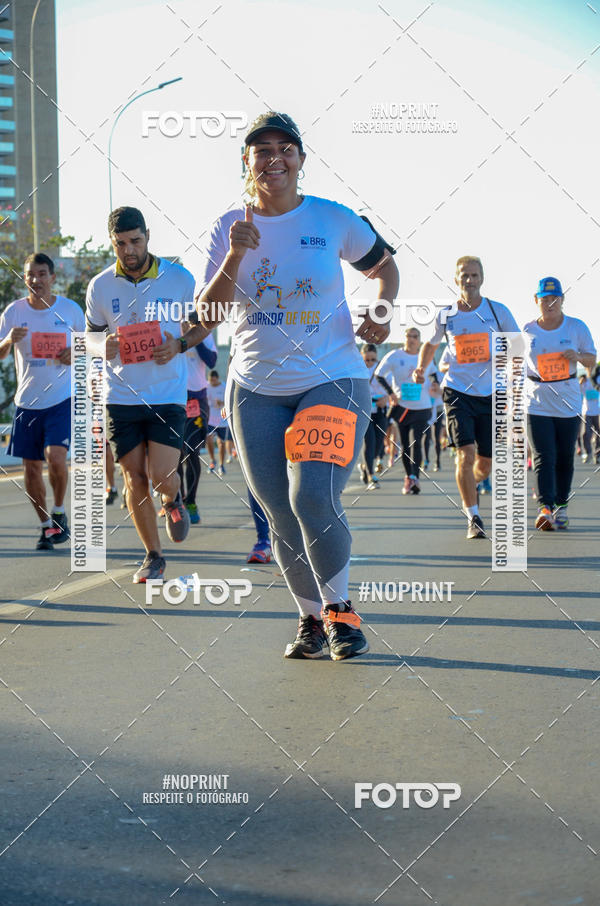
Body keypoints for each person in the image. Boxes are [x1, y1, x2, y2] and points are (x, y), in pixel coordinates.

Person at [197, 111, 399, 660]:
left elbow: (384, 265)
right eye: (262, 150)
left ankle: (341, 615)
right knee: (278, 511)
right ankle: (311, 621)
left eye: (286, 148)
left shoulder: (332, 218)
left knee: (311, 495)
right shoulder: (226, 227)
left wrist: (379, 311)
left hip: (332, 378)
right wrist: (238, 251)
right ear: (248, 163)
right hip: (256, 388)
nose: (274, 158)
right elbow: (207, 313)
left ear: (301, 160)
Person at [85, 206, 209, 582]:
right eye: (120, 244)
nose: (129, 250)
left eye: (135, 241)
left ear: (148, 235)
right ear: (113, 243)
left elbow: (203, 325)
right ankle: (153, 556)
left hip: (167, 394)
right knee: (133, 477)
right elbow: (88, 339)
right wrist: (98, 346)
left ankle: (172, 500)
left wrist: (179, 345)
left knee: (160, 475)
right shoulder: (100, 286)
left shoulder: (180, 278)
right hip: (119, 396)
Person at [414, 256, 519, 538]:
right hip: (457, 391)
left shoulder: (498, 312)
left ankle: (470, 486)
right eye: (464, 275)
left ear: (482, 278)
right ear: (456, 279)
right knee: (465, 453)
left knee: (484, 463)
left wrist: (504, 360)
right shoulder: (446, 314)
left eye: (474, 275)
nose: (469, 280)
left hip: (491, 393)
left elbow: (519, 346)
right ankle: (473, 516)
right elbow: (430, 344)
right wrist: (422, 368)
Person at [0, 252, 85, 550]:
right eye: (30, 275)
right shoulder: (13, 312)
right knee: (32, 469)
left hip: (61, 398)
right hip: (27, 403)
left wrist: (74, 354)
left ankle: (60, 510)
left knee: (56, 458)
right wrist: (9, 340)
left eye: (41, 274)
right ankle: (46, 526)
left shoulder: (71, 310)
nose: (36, 280)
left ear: (52, 277)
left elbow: (90, 348)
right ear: (25, 278)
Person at [523, 277, 596, 530]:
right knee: (543, 455)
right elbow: (512, 365)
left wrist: (577, 355)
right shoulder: (527, 330)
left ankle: (561, 506)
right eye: (544, 299)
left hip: (568, 402)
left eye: (554, 299)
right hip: (536, 401)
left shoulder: (576, 327)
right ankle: (545, 508)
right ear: (536, 301)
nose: (549, 303)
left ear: (562, 300)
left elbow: (591, 360)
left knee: (565, 457)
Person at [377, 327, 436, 494]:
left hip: (422, 406)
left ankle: (415, 477)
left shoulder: (425, 357)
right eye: (409, 336)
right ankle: (409, 477)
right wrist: (391, 394)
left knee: (415, 442)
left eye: (415, 337)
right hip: (402, 407)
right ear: (404, 338)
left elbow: (434, 374)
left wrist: (435, 384)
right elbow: (379, 374)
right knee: (405, 445)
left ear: (419, 340)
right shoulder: (395, 356)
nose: (412, 339)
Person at [177, 313, 217, 523]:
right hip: (171, 399)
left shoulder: (204, 330)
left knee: (191, 452)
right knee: (172, 455)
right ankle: (176, 501)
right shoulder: (169, 328)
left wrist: (191, 337)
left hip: (195, 401)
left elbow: (211, 361)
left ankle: (190, 501)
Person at [359, 343, 390, 489]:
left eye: (372, 359)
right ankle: (371, 475)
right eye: (367, 360)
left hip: (380, 409)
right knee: (369, 442)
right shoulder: (357, 369)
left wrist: (386, 399)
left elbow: (392, 388)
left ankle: (365, 466)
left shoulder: (382, 369)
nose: (370, 363)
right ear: (361, 357)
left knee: (378, 444)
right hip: (364, 410)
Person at [206, 369, 229, 475]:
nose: (212, 383)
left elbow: (229, 401)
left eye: (214, 381)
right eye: (211, 381)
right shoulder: (206, 386)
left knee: (221, 443)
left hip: (222, 420)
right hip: (210, 419)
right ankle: (212, 461)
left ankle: (221, 465)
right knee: (209, 439)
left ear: (218, 379)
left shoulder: (224, 387)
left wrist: (223, 402)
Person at [580, 365, 600, 465]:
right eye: (588, 368)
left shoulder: (598, 380)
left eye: (591, 368)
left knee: (598, 434)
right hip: (587, 412)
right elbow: (576, 392)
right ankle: (588, 453)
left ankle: (597, 455)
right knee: (585, 434)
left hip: (598, 412)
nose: (590, 370)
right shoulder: (584, 381)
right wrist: (579, 384)